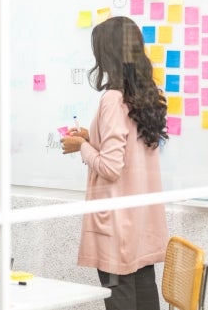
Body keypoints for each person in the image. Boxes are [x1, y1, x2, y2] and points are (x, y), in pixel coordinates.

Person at [60, 16, 169, 310]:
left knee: (120, 300)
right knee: (146, 297)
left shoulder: (112, 98)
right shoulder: (145, 97)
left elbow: (110, 168)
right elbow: (127, 154)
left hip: (117, 224)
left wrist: (81, 146)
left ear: (108, 54)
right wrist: (91, 138)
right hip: (140, 222)